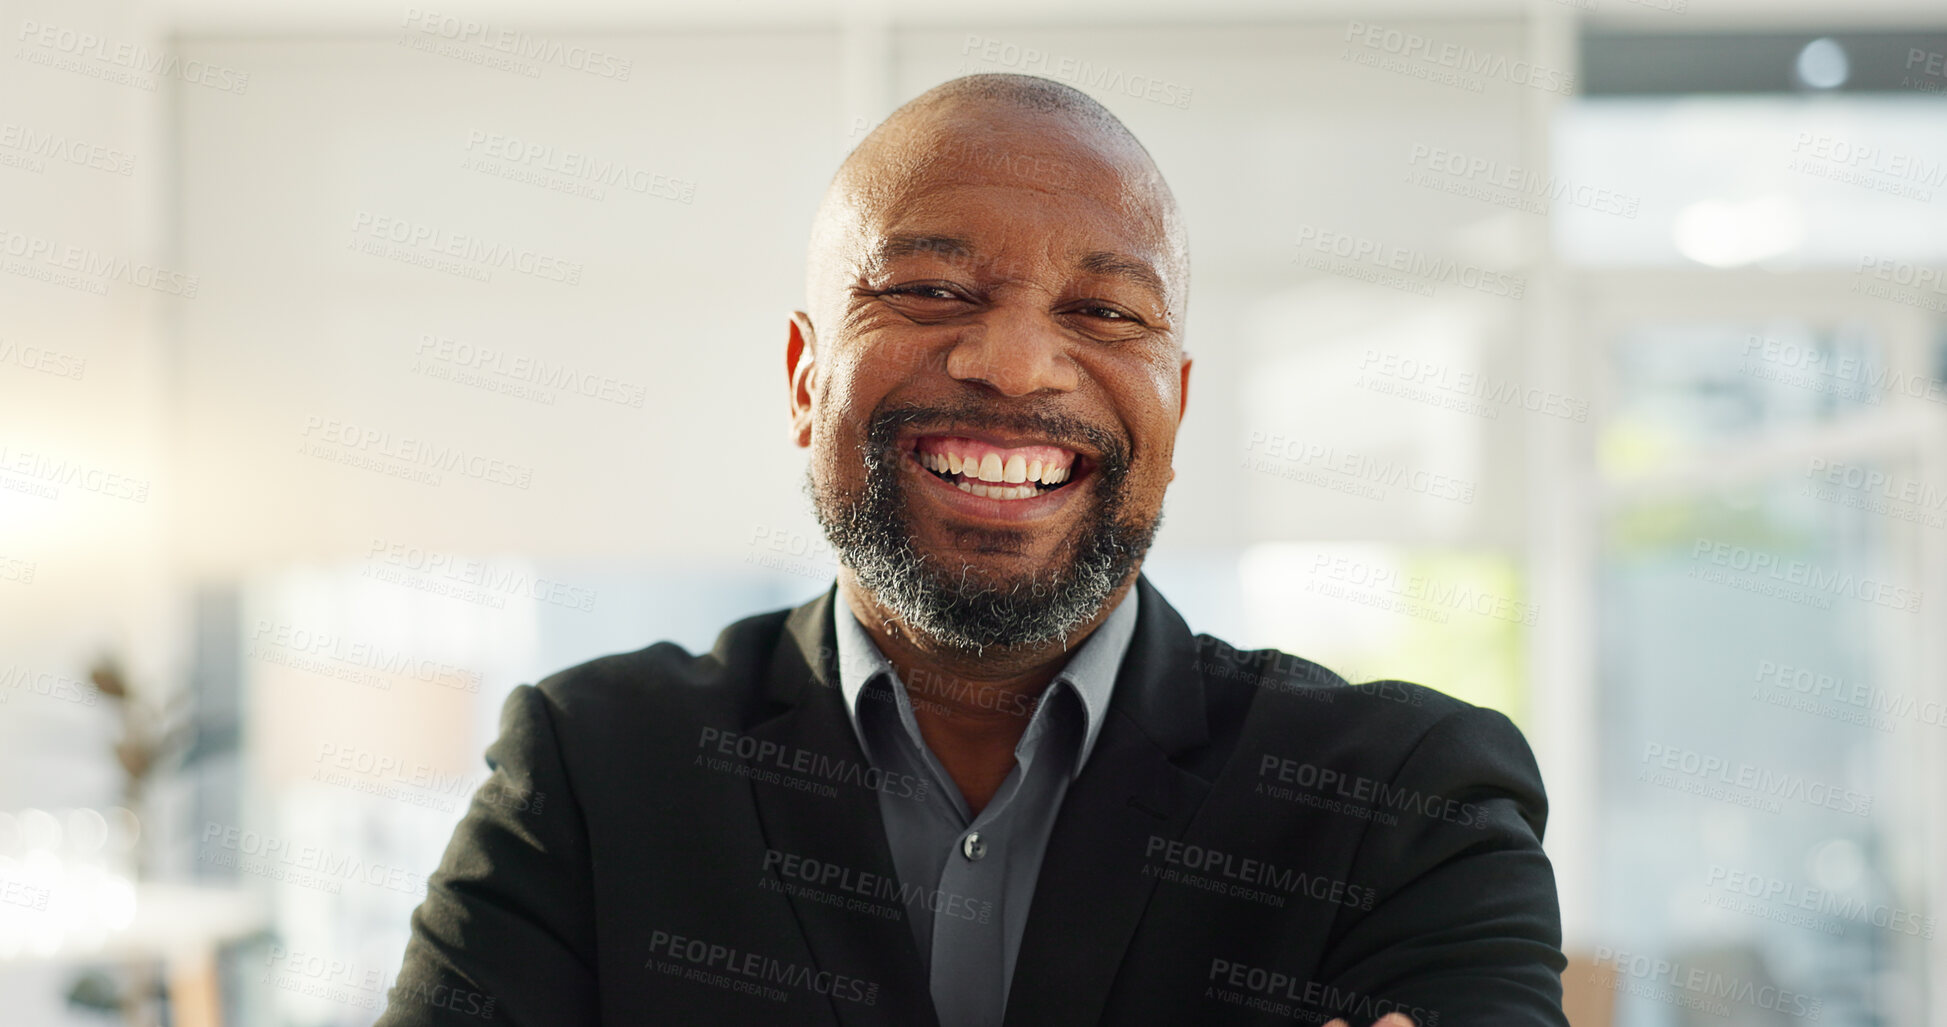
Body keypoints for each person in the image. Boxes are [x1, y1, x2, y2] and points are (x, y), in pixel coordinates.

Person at [376, 73, 1568, 1027]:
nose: (1014, 363)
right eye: (933, 289)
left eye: (1105, 312)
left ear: (1177, 405)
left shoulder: (1410, 801)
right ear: (804, 379)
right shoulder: (587, 773)